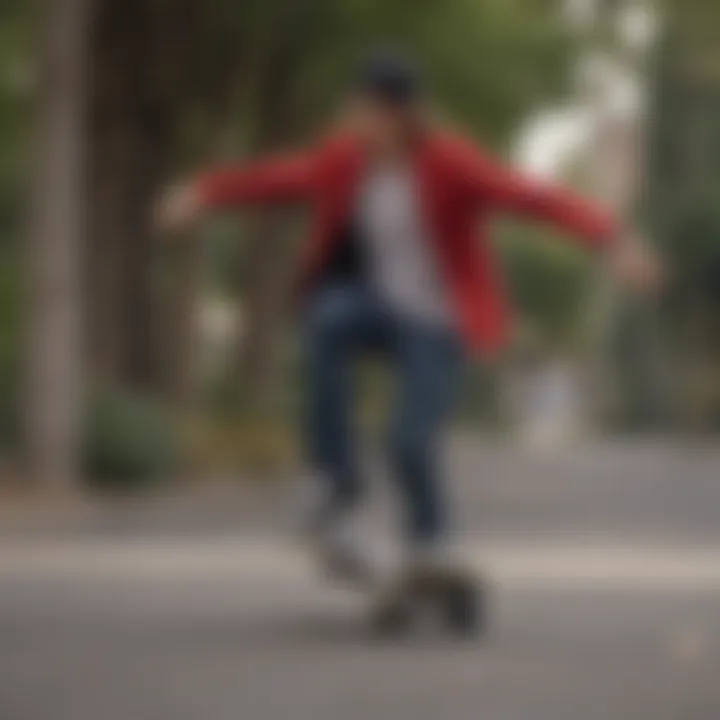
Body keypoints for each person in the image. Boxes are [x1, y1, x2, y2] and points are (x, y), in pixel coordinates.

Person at [157, 50, 659, 590]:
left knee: (409, 443)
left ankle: (431, 544)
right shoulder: (343, 160)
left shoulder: (449, 163)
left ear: (401, 116)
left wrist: (611, 239)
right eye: (354, 111)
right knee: (325, 318)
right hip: (376, 311)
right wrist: (204, 191)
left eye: (369, 114)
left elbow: (530, 196)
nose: (357, 125)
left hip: (438, 324)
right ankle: (335, 483)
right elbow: (279, 178)